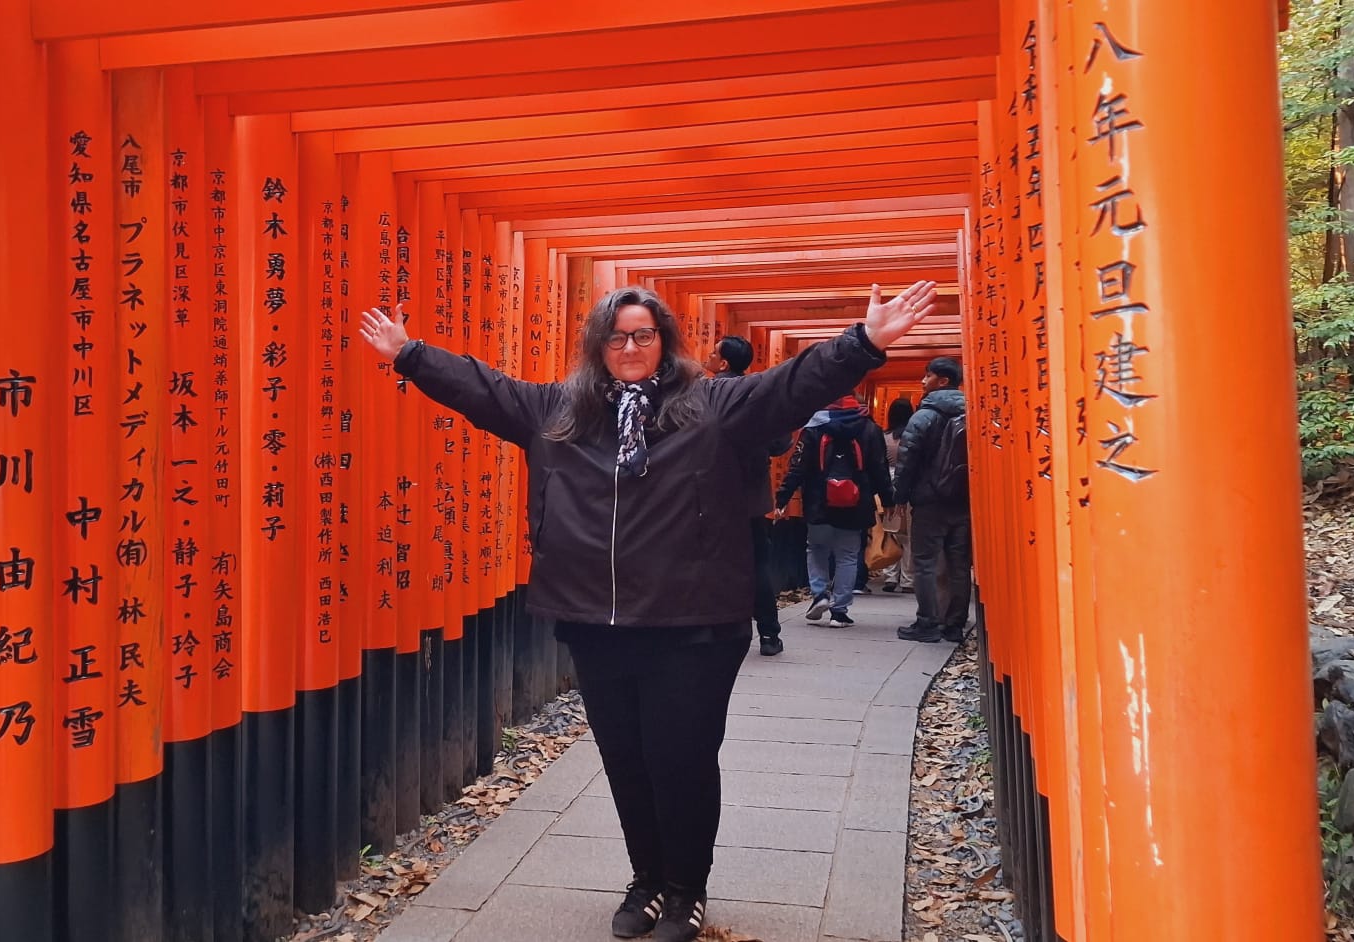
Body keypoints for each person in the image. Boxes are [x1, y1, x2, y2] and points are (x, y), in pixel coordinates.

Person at [359, 281, 936, 942]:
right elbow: (483, 388)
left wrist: (863, 343)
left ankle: (687, 889)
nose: (629, 347)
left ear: (663, 341)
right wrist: (409, 353)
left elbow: (789, 386)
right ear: (596, 345)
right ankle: (647, 881)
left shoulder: (710, 407)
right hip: (596, 623)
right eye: (616, 335)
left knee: (681, 758)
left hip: (692, 625)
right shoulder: (558, 413)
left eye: (643, 334)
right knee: (627, 760)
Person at [708, 335, 794, 657]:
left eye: (713, 353)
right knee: (758, 565)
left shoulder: (705, 394)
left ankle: (720, 633)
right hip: (751, 499)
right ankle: (769, 635)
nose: (708, 357)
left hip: (709, 500)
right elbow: (780, 442)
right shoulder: (759, 396)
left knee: (712, 565)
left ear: (724, 363)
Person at [772, 394, 890, 628]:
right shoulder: (869, 428)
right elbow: (879, 466)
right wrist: (887, 498)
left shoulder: (815, 427)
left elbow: (798, 465)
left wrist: (783, 496)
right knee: (847, 555)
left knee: (816, 549)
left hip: (819, 501)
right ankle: (840, 611)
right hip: (856, 503)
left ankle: (820, 594)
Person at [892, 357, 972, 643]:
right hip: (964, 500)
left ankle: (927, 622)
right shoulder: (972, 413)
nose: (922, 381)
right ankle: (954, 625)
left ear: (943, 381)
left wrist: (899, 495)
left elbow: (907, 458)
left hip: (929, 500)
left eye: (927, 376)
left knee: (924, 562)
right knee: (959, 563)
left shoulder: (924, 416)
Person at [877, 398, 916, 592]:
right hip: (910, 482)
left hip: (889, 481)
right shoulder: (914, 435)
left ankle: (890, 575)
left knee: (890, 531)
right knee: (909, 533)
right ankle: (908, 579)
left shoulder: (884, 437)